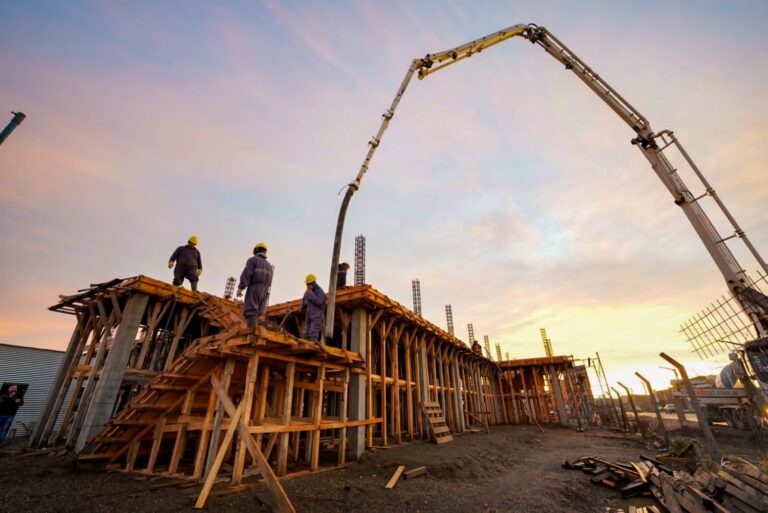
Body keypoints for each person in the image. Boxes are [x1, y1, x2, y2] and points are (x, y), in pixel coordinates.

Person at [237, 243, 274, 329]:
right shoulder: (269, 265)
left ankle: (252, 332)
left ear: (256, 251)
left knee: (251, 309)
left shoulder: (253, 260)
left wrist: (241, 287)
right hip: (265, 291)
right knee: (258, 311)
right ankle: (256, 329)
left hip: (255, 288)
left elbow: (247, 273)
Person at [301, 274, 326, 342]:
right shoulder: (308, 292)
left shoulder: (320, 291)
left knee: (313, 334)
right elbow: (304, 301)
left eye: (308, 284)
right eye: (306, 284)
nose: (307, 286)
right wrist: (302, 306)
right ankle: (306, 349)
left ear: (313, 283)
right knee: (306, 333)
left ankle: (312, 348)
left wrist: (311, 294)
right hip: (309, 315)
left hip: (317, 316)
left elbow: (319, 301)